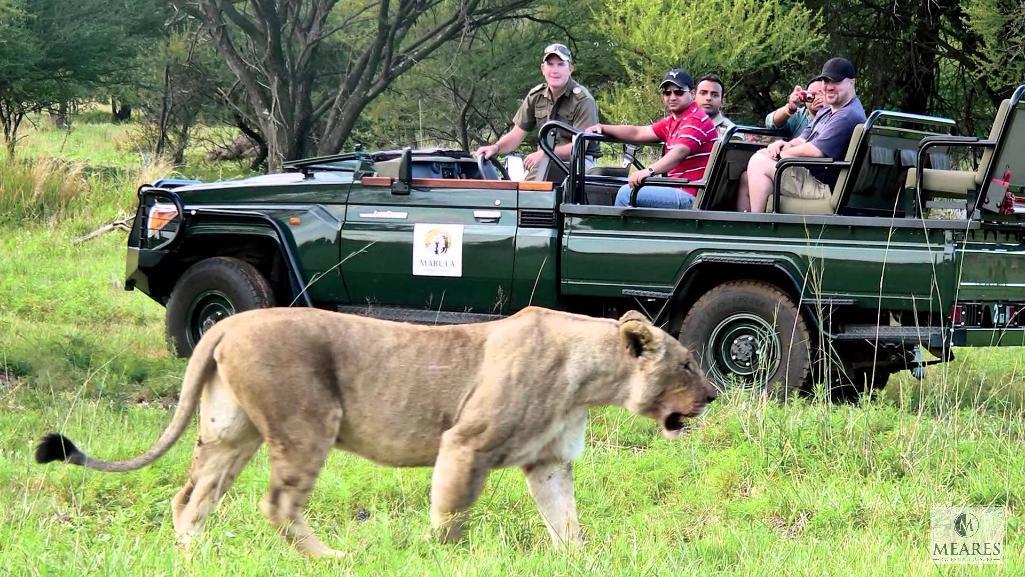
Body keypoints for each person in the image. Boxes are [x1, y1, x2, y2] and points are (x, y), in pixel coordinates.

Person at [736, 57, 866, 213]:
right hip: (813, 176)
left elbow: (815, 151)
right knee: (753, 168)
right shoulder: (828, 110)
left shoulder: (847, 115)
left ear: (851, 83)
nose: (829, 87)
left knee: (759, 162)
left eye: (836, 82)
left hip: (823, 186)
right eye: (825, 81)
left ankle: (756, 224)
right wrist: (783, 145)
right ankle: (756, 222)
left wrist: (781, 155)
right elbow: (803, 138)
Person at [586, 69, 717, 209]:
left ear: (691, 94)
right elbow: (637, 132)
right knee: (612, 183)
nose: (672, 97)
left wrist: (648, 171)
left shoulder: (695, 118)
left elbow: (680, 151)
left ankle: (618, 231)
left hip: (691, 194)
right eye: (667, 92)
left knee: (627, 194)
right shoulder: (674, 120)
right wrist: (603, 128)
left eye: (678, 92)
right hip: (678, 187)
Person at [475, 43, 600, 181]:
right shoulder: (536, 96)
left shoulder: (583, 100)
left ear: (570, 69)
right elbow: (517, 134)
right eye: (550, 64)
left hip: (580, 163)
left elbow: (580, 146)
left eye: (560, 64)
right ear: (543, 69)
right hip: (546, 162)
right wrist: (496, 148)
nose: (555, 70)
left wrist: (546, 154)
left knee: (537, 180)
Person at [695, 74, 735, 139]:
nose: (708, 98)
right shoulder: (681, 124)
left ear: (722, 101)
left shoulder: (731, 131)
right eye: (703, 93)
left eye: (715, 95)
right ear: (694, 96)